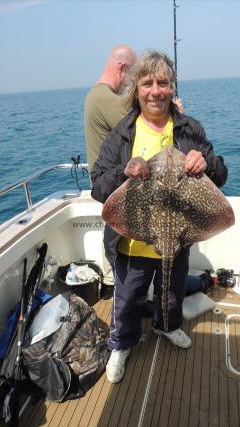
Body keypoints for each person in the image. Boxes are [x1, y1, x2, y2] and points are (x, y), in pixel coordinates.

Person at [91, 50, 228, 383]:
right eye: (148, 83)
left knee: (172, 291)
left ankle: (167, 326)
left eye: (163, 83)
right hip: (133, 239)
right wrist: (124, 172)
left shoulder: (189, 129)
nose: (155, 90)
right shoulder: (122, 133)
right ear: (136, 89)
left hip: (178, 234)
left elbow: (221, 173)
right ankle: (120, 343)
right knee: (128, 297)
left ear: (171, 88)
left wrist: (205, 164)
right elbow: (98, 185)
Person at [84, 45, 137, 298]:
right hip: (111, 180)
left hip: (107, 178)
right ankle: (124, 293)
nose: (134, 82)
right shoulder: (106, 99)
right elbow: (140, 128)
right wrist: (174, 115)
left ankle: (116, 287)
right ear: (122, 68)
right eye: (134, 75)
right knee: (117, 240)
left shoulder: (95, 95)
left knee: (114, 234)